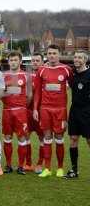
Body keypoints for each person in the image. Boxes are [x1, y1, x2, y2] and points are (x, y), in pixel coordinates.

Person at [33, 44, 72, 178]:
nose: (52, 56)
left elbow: (75, 87)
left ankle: (60, 168)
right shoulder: (41, 70)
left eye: (54, 53)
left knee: (60, 138)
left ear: (59, 54)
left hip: (60, 110)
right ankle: (47, 168)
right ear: (46, 55)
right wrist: (35, 109)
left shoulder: (66, 69)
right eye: (49, 53)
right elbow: (37, 91)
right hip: (45, 109)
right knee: (47, 138)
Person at [1, 51, 31, 175]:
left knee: (22, 137)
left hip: (20, 112)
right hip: (7, 111)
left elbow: (29, 95)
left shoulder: (26, 75)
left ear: (20, 61)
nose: (13, 62)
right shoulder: (3, 76)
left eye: (15, 60)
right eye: (11, 60)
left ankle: (20, 166)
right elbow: (1, 93)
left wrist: (22, 107)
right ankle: (8, 165)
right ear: (8, 62)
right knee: (7, 138)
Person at [64, 51, 90, 179]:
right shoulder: (72, 74)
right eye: (75, 57)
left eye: (80, 57)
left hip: (88, 112)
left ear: (85, 60)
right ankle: (74, 170)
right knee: (73, 139)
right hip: (74, 111)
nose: (77, 59)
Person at [27, 52, 44, 173]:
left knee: (42, 137)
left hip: (41, 112)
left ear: (42, 62)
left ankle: (40, 163)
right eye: (33, 60)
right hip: (27, 112)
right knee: (25, 136)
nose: (35, 62)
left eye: (37, 60)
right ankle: (27, 163)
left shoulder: (45, 75)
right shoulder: (26, 76)